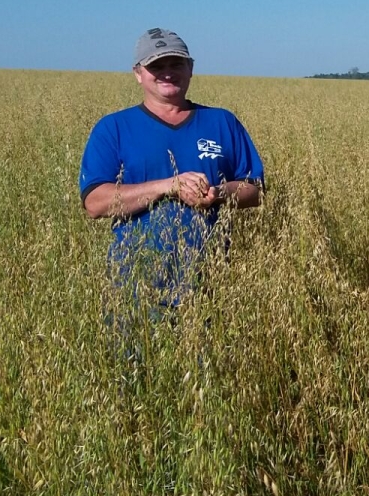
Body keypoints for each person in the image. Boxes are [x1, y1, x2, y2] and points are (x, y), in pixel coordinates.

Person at [80, 28, 264, 314]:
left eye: (176, 63)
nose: (167, 73)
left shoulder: (222, 122)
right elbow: (95, 203)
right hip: (135, 286)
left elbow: (255, 190)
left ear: (190, 68)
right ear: (138, 73)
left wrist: (216, 193)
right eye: (156, 66)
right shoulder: (113, 128)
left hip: (211, 283)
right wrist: (168, 186)